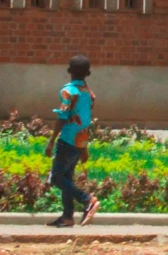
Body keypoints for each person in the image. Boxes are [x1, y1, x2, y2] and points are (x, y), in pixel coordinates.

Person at [48, 54, 97, 227]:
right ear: (88, 73)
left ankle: (87, 200)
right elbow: (86, 120)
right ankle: (67, 216)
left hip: (67, 140)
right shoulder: (89, 94)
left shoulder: (68, 91)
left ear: (69, 71)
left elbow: (62, 116)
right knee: (66, 177)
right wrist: (84, 147)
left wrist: (52, 140)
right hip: (79, 141)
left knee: (56, 178)